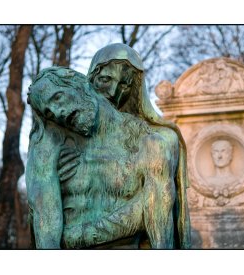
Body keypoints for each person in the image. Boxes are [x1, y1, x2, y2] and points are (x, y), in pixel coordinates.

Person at [27, 67, 180, 248]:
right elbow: (46, 226)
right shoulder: (49, 147)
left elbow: (159, 221)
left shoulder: (150, 144)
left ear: (80, 84)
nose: (57, 112)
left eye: (57, 98)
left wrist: (80, 235)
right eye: (49, 113)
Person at [58, 43, 191, 248]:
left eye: (124, 85)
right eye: (105, 79)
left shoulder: (157, 140)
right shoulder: (62, 137)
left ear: (135, 90)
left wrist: (84, 235)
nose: (112, 92)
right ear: (91, 78)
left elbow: (154, 207)